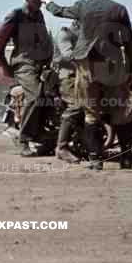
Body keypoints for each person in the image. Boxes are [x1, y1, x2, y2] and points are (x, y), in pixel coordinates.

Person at [43, 0, 132, 170]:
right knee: (121, 113)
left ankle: (95, 161)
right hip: (113, 66)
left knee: (91, 113)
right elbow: (129, 42)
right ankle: (126, 160)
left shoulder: (82, 6)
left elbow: (59, 11)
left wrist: (47, 1)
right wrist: (130, 69)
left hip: (88, 66)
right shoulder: (119, 9)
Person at [0, 0, 54, 157]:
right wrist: (5, 67)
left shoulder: (39, 15)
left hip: (42, 65)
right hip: (24, 65)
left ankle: (45, 135)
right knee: (34, 97)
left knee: (55, 95)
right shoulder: (16, 15)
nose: (41, 2)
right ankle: (23, 139)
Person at [52, 20, 83, 163]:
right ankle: (61, 148)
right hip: (66, 77)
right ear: (77, 22)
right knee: (76, 105)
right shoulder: (65, 34)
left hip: (82, 76)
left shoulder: (86, 38)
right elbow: (68, 55)